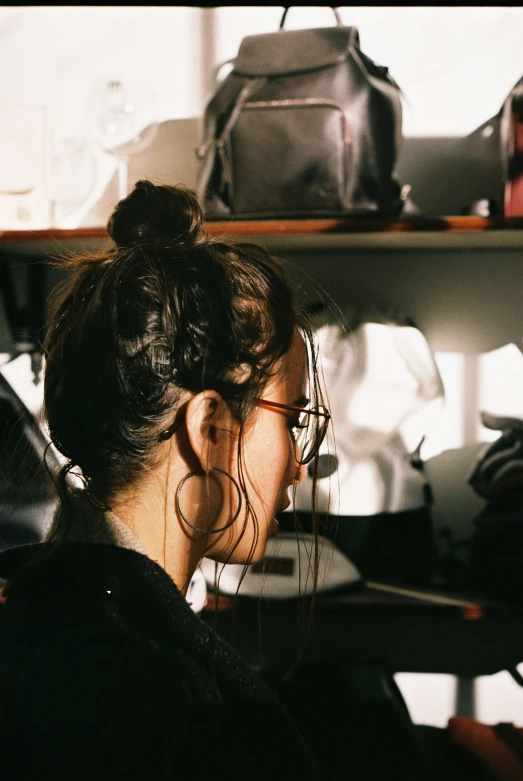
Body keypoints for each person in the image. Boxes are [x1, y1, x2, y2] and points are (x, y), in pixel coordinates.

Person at [0, 180, 329, 780]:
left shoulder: (45, 616)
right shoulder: (148, 703)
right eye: (293, 416)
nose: (299, 465)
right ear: (208, 430)